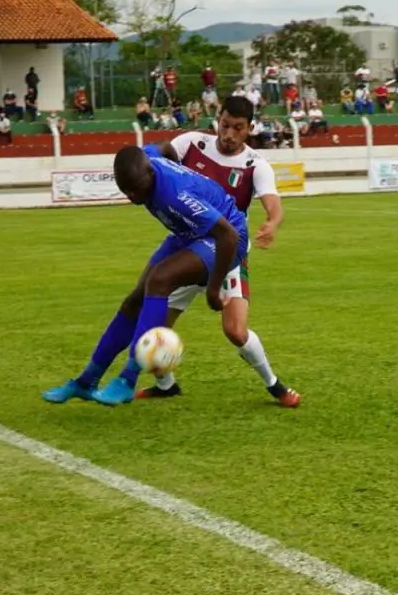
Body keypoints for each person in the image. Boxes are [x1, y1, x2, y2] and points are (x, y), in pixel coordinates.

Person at [42, 145, 249, 407]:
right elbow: (164, 147)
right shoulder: (145, 159)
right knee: (133, 301)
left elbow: (228, 235)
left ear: (150, 174)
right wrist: (181, 167)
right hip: (190, 233)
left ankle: (128, 380)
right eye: (125, 190)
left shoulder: (176, 194)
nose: (132, 196)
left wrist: (213, 288)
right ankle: (86, 381)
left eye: (136, 189)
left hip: (226, 239)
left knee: (160, 280)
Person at [137, 95, 301, 407]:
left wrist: (273, 223)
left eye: (237, 128)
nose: (228, 134)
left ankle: (275, 385)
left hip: (229, 256)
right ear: (217, 119)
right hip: (188, 250)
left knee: (236, 331)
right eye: (224, 125)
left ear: (249, 128)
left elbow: (273, 204)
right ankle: (166, 385)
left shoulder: (256, 165)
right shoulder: (191, 144)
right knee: (155, 324)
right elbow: (158, 162)